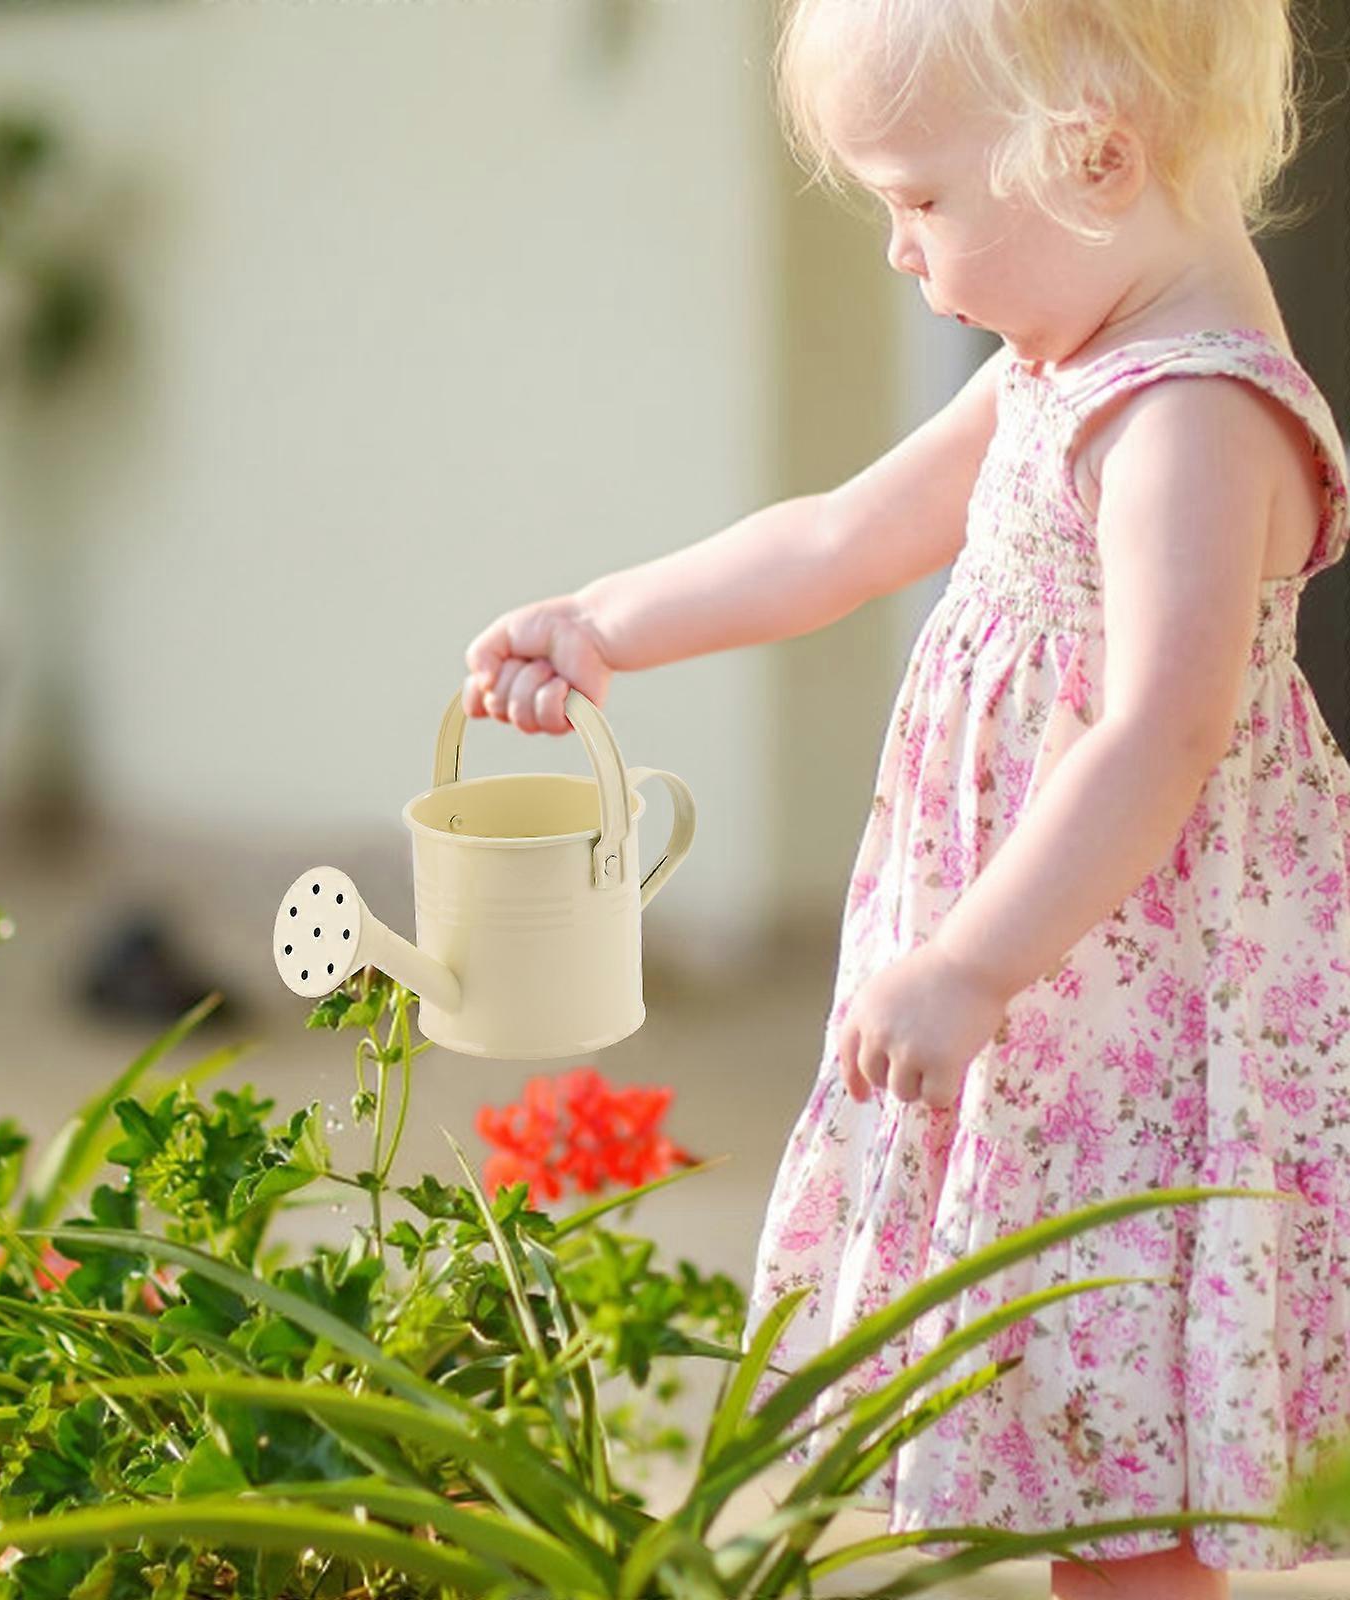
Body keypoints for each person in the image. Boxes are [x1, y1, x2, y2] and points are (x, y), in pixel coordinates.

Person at [459, 1, 1350, 1595]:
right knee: (1076, 1424)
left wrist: (970, 964)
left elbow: (1163, 728)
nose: (895, 249)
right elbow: (838, 536)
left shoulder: (1190, 421)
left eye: (919, 200)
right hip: (1058, 1010)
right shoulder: (1057, 367)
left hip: (1130, 1011)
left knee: (1120, 1417)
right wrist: (607, 622)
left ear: (1091, 157)